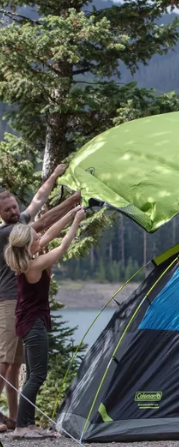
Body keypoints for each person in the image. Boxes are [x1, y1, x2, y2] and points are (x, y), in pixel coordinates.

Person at [0, 164, 80, 431]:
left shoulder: (25, 247)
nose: (14, 212)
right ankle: (23, 423)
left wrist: (57, 182)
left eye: (14, 207)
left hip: (25, 313)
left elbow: (44, 219)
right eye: (7, 209)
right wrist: (74, 211)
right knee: (18, 366)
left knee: (25, 370)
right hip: (20, 312)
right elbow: (54, 236)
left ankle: (19, 420)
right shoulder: (20, 248)